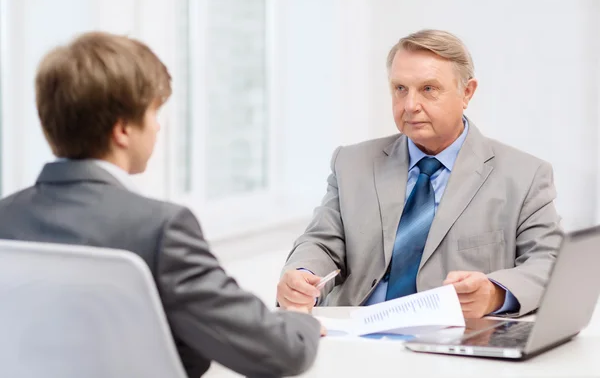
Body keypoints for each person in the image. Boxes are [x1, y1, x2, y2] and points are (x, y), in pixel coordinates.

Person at [0, 32, 322, 377]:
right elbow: (283, 352)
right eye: (153, 112)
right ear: (122, 130)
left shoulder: (7, 217)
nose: (157, 127)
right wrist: (298, 319)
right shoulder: (161, 229)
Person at [277, 29, 563, 319]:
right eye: (400, 89)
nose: (410, 105)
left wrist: (494, 292)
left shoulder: (525, 175)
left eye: (428, 89)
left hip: (455, 343)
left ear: (467, 92)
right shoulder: (351, 163)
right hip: (356, 334)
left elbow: (549, 261)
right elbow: (322, 242)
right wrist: (302, 274)